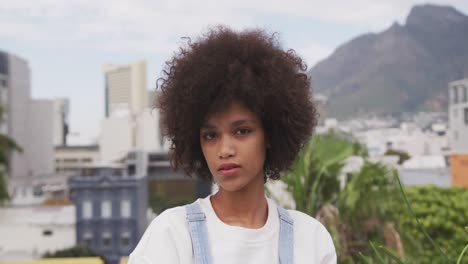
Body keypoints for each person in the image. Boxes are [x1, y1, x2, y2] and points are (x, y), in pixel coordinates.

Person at [129, 26, 336, 264]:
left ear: (270, 134)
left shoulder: (310, 239)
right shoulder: (172, 235)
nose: (225, 150)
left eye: (242, 131)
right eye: (210, 135)